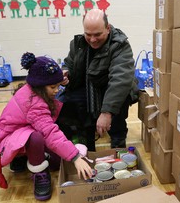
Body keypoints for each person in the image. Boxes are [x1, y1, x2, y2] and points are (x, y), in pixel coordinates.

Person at [0, 52, 92, 201]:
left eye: (58, 85)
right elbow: (49, 132)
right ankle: (39, 174)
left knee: (56, 162)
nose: (57, 90)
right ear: (40, 86)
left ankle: (22, 158)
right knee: (36, 137)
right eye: (53, 87)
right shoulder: (34, 104)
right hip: (7, 142)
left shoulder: (34, 91)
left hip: (17, 134)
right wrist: (75, 157)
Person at [57, 9, 138, 151]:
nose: (92, 39)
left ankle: (118, 145)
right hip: (88, 89)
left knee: (117, 109)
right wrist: (66, 72)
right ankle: (85, 146)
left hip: (111, 90)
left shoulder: (120, 45)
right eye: (88, 34)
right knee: (64, 105)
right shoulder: (78, 44)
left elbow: (120, 80)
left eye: (97, 34)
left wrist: (107, 112)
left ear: (108, 28)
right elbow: (69, 62)